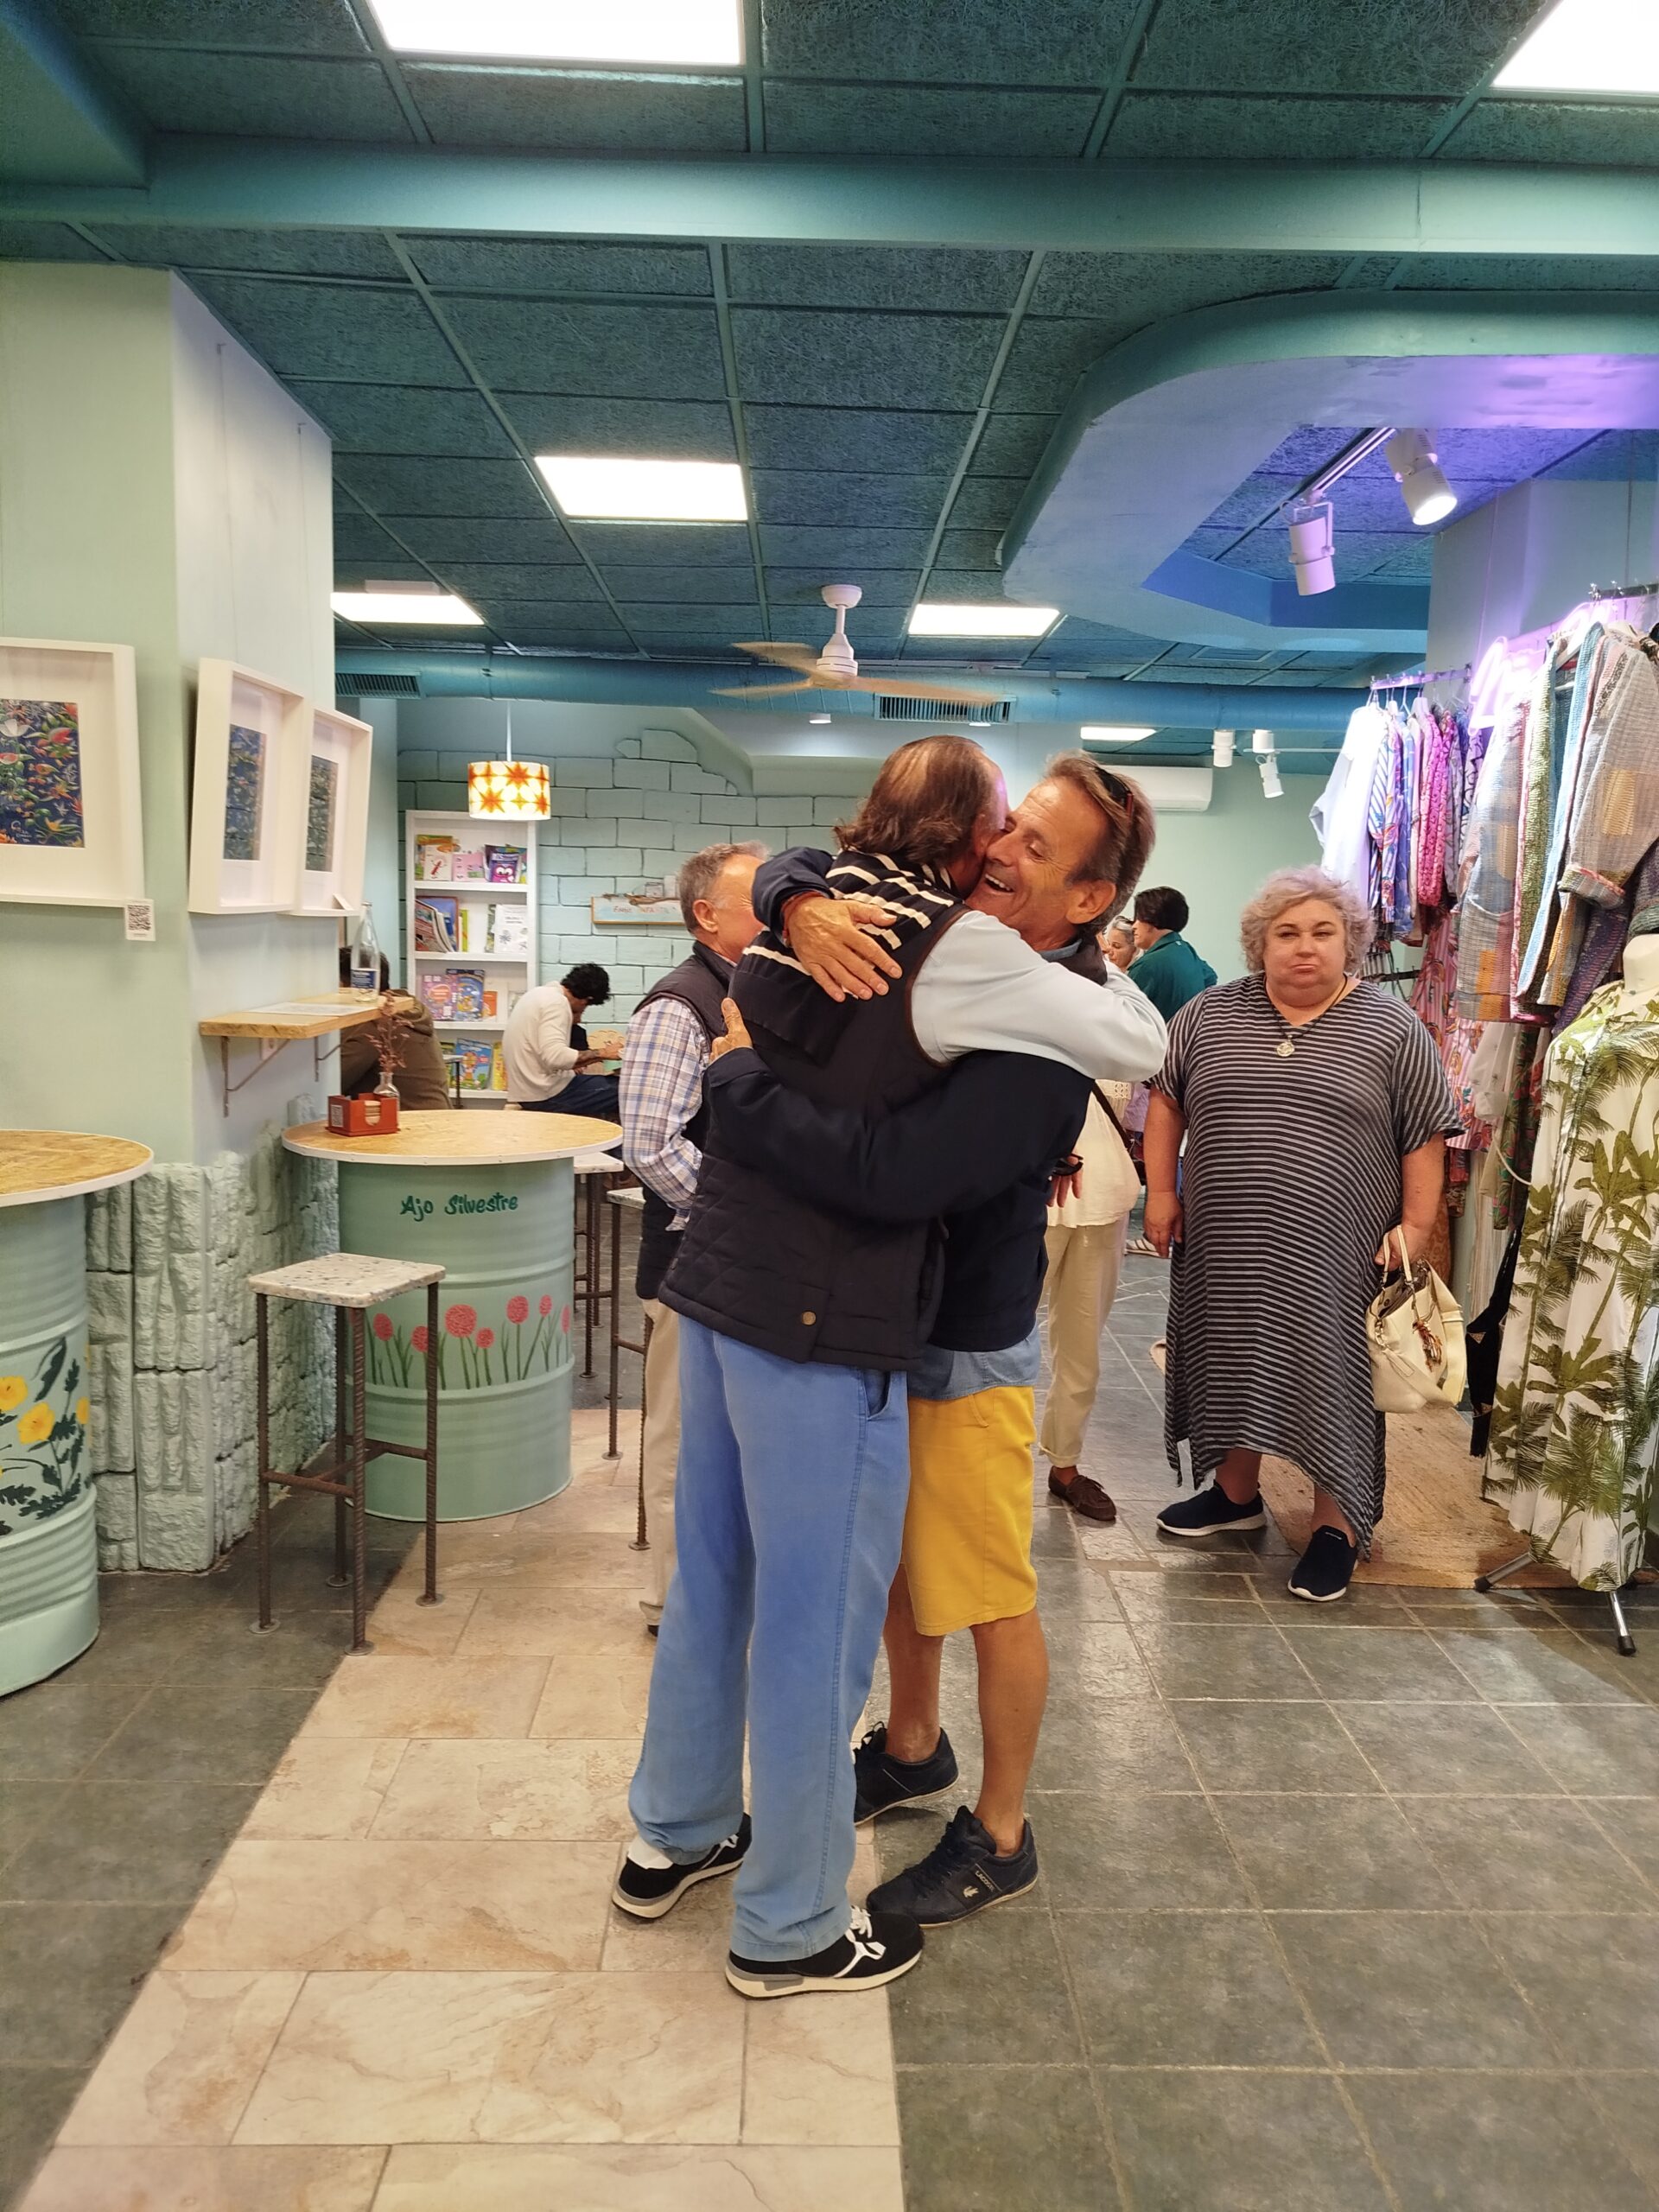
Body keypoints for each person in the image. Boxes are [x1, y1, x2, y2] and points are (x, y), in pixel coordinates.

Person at [613, 736, 1163, 1999]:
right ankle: (791, 1924)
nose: (1007, 849)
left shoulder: (792, 931)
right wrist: (793, 906)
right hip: (824, 1320)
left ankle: (680, 1832)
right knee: (817, 1628)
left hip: (752, 1297)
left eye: (1035, 840)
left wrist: (745, 1057)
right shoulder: (940, 946)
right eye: (1005, 825)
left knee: (728, 1584)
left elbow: (908, 1147)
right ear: (962, 837)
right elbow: (892, 1169)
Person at [1147, 866, 1459, 1603]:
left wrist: (1417, 1225)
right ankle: (1234, 1495)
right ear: (1261, 944)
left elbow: (1424, 1135)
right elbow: (1167, 1103)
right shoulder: (1208, 1014)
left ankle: (1336, 1526)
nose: (1305, 947)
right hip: (1223, 1242)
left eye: (1323, 932)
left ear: (1351, 942)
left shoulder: (1392, 1028)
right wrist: (1160, 1192)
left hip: (1339, 1251)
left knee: (1332, 1374)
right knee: (1228, 1358)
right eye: (1286, 933)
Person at [618, 842, 766, 1632]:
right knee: (681, 1437)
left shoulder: (748, 990)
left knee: (729, 1439)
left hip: (736, 1263)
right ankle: (672, 1603)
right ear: (707, 915)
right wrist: (734, 1215)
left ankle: (714, 1594)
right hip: (691, 1263)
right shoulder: (679, 1006)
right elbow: (649, 1144)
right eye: (759, 899)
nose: (780, 912)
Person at [1040, 1073, 1142, 1524]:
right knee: (990, 1345)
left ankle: (1065, 1463)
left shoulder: (1118, 1031)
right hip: (1026, 1192)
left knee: (1082, 1348)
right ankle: (973, 1457)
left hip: (1103, 1194)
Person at [501, 961, 620, 1117]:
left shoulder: (536, 994)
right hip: (544, 1095)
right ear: (586, 999)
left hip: (528, 1091)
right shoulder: (558, 1002)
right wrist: (604, 1053)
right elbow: (556, 1057)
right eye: (586, 1006)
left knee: (609, 1084)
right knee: (629, 1089)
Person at [335, 950, 452, 1109]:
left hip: (407, 1120)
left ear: (346, 987)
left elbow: (332, 1082)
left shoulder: (375, 1023)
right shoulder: (404, 1007)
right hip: (434, 1115)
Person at [1129, 886, 1217, 1019]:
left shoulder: (1148, 965)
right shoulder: (1186, 951)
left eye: (1138, 919)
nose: (1134, 926)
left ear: (1152, 918)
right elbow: (1211, 978)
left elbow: (1125, 1016)